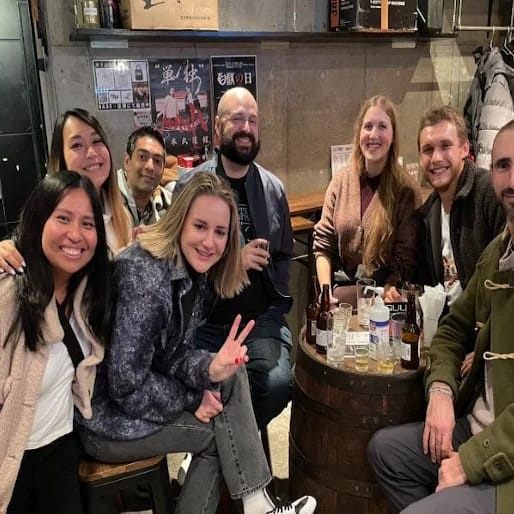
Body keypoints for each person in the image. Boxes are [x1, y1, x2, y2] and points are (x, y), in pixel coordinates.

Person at [76, 172, 317, 514]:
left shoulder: (194, 271)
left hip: (134, 396)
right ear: (179, 221)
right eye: (200, 226)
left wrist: (209, 369)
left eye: (220, 232)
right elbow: (125, 384)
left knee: (231, 372)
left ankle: (257, 503)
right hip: (106, 420)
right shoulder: (146, 279)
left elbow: (171, 353)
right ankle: (257, 504)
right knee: (216, 437)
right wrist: (192, 396)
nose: (209, 242)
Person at [367, 119, 514, 514]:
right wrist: (441, 392)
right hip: (479, 422)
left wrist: (469, 462)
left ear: (467, 151)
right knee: (385, 452)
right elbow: (452, 327)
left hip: (505, 455)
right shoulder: (497, 250)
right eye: (504, 165)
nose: (512, 179)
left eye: (445, 146)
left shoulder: (481, 201)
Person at [173, 86, 294, 430]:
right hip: (203, 322)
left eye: (253, 121)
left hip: (258, 321)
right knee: (191, 385)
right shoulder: (191, 187)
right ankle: (233, 450)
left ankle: (221, 445)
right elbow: (175, 264)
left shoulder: (273, 189)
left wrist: (275, 302)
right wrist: (232, 262)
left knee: (276, 384)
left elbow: (284, 254)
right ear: (217, 127)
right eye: (237, 119)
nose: (246, 128)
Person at [0, 171, 111, 514]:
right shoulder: (8, 293)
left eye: (88, 224)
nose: (75, 235)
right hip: (9, 462)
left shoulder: (89, 294)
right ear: (39, 219)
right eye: (63, 218)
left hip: (62, 452)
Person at [313, 95, 422, 305]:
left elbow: (406, 257)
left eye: (382, 126)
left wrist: (391, 288)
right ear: (359, 133)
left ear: (393, 136)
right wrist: (326, 293)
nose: (374, 135)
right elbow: (323, 245)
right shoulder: (341, 181)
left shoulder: (407, 189)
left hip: (384, 299)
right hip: (340, 297)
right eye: (368, 126)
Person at [0, 108, 131, 273]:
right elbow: (18, 249)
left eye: (97, 141)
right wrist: (6, 250)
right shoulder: (45, 218)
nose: (91, 153)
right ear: (61, 157)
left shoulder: (121, 216)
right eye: (77, 145)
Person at [416, 105, 505, 306]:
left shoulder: (490, 193)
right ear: (420, 157)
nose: (436, 158)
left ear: (465, 149)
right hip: (449, 322)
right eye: (428, 150)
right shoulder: (428, 214)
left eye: (445, 146)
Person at [117, 126, 171, 227]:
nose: (150, 167)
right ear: (127, 161)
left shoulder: (167, 207)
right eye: (142, 157)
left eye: (157, 161)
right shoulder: (105, 201)